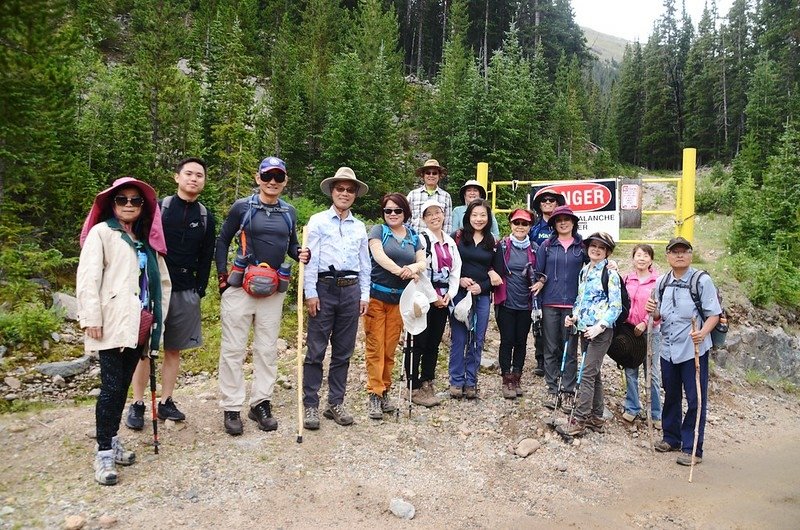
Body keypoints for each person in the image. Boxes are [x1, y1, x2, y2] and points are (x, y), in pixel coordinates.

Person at [77, 177, 171, 485]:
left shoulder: (147, 239)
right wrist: (92, 318)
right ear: (111, 204)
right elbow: (88, 278)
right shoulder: (102, 234)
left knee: (121, 386)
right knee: (111, 387)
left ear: (144, 207)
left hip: (139, 324)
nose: (129, 205)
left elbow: (162, 285)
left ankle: (112, 438)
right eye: (122, 200)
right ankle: (104, 451)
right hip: (111, 322)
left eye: (135, 200)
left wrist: (159, 319)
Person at [215, 156, 309, 436]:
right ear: (258, 178)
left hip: (272, 291)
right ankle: (231, 407)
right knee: (233, 349)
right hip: (240, 287)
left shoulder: (289, 212)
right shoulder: (242, 207)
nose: (272, 182)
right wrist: (222, 278)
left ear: (285, 182)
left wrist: (301, 253)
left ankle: (261, 403)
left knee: (267, 349)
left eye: (278, 177)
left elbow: (291, 246)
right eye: (267, 176)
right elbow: (222, 239)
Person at [126, 157, 215, 430]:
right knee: (144, 348)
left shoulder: (205, 216)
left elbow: (207, 254)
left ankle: (166, 400)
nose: (193, 179)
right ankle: (138, 403)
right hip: (154, 288)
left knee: (174, 348)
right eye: (188, 173)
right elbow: (141, 243)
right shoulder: (158, 208)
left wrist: (199, 288)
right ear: (177, 177)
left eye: (199, 175)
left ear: (204, 181)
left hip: (186, 289)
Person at [302, 167, 371, 430]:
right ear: (332, 191)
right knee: (316, 350)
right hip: (324, 288)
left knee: (343, 351)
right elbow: (311, 260)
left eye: (349, 190)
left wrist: (364, 294)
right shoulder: (318, 221)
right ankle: (310, 404)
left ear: (355, 195)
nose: (344, 193)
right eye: (340, 189)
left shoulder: (360, 226)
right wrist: (310, 293)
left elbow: (365, 264)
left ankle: (335, 401)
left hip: (351, 290)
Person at [646, 237, 720, 466]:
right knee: (671, 393)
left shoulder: (701, 280)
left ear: (690, 255)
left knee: (695, 398)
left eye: (684, 251)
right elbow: (659, 316)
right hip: (668, 348)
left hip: (693, 349)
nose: (679, 255)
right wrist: (654, 312)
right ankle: (672, 437)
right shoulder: (662, 282)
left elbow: (713, 314)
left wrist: (703, 333)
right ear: (667, 256)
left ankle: (692, 448)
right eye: (674, 251)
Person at [365, 193, 427, 419]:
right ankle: (374, 393)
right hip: (377, 298)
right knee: (375, 347)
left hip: (401, 301)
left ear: (405, 213)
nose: (392, 214)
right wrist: (402, 271)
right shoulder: (377, 231)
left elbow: (423, 260)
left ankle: (385, 391)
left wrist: (413, 268)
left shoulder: (413, 236)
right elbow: (378, 256)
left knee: (390, 348)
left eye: (397, 210)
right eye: (388, 210)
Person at [558, 232, 622, 437]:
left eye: (601, 248)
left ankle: (580, 419)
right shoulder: (584, 270)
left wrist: (600, 326)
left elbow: (616, 306)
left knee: (585, 374)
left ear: (607, 252)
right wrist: (574, 317)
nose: (595, 249)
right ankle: (596, 417)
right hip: (584, 329)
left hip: (600, 332)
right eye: (593, 246)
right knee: (593, 373)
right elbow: (581, 299)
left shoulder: (610, 274)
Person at [405, 199, 462, 407]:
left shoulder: (450, 241)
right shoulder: (421, 240)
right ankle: (412, 385)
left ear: (444, 214)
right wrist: (433, 297)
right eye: (429, 214)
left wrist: (450, 295)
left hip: (444, 298)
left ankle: (427, 379)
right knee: (418, 340)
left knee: (434, 342)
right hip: (423, 298)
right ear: (423, 219)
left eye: (437, 212)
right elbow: (421, 270)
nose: (434, 217)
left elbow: (456, 270)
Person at [532, 205, 588, 412]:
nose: (563, 222)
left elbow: (593, 269)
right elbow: (539, 272)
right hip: (550, 302)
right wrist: (539, 282)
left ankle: (568, 388)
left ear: (573, 222)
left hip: (573, 304)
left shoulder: (582, 247)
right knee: (551, 346)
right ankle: (552, 386)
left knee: (570, 348)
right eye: (558, 220)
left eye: (567, 219)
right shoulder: (546, 246)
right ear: (554, 224)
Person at [448, 199, 501, 399]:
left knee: (477, 339)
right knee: (459, 338)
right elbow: (450, 266)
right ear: (468, 216)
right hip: (460, 294)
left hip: (482, 296)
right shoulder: (458, 238)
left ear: (488, 218)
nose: (479, 219)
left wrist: (483, 286)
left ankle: (471, 381)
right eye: (475, 215)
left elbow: (499, 273)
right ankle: (456, 380)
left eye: (483, 215)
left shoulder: (494, 242)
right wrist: (460, 280)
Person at [492, 209, 537, 399]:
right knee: (507, 340)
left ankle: (517, 376)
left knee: (521, 341)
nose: (520, 226)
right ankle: (506, 378)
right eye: (516, 222)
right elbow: (490, 265)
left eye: (524, 223)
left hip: (525, 303)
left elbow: (542, 271)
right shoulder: (501, 246)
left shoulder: (534, 248)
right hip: (506, 302)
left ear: (529, 227)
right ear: (510, 224)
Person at [621, 244, 662, 430]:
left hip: (651, 331)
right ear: (633, 258)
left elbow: (658, 308)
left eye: (646, 255)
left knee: (652, 373)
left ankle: (654, 412)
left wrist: (645, 322)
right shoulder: (626, 279)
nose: (642, 258)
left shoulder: (657, 282)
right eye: (638, 255)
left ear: (651, 260)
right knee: (630, 370)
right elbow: (621, 302)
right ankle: (632, 407)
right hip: (629, 331)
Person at [527, 191, 566, 377]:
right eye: (544, 200)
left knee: (559, 322)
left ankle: (559, 359)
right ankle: (541, 359)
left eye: (552, 200)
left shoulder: (565, 227)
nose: (548, 203)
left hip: (560, 280)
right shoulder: (533, 228)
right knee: (539, 320)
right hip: (538, 280)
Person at [407, 159, 453, 234]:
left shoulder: (446, 196)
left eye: (434, 173)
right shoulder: (412, 195)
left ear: (439, 176)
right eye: (428, 173)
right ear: (423, 175)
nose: (431, 175)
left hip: (437, 241)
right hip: (416, 240)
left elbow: (447, 223)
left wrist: (445, 242)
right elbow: (406, 220)